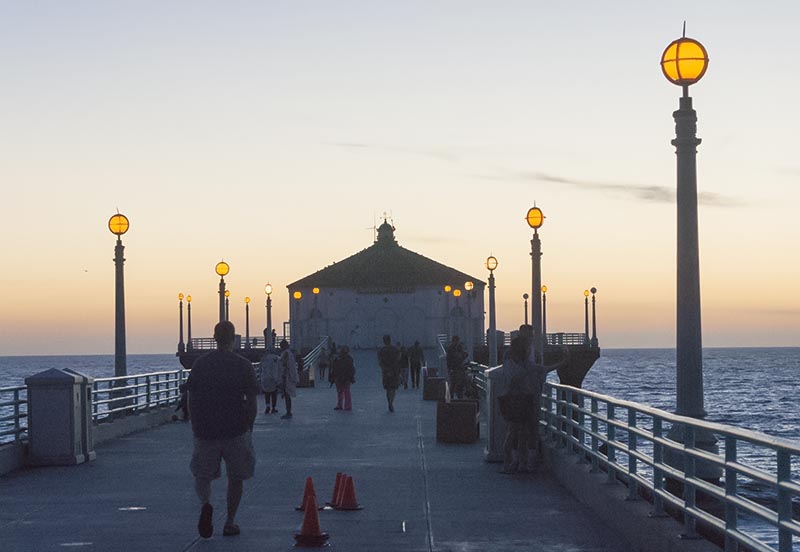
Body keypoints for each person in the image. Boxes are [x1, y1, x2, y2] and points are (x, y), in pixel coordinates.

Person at [186, 321, 258, 539]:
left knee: (202, 474)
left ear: (214, 337)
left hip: (206, 429)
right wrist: (249, 426)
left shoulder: (200, 364)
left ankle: (206, 504)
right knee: (235, 477)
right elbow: (253, 401)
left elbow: (191, 398)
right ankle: (229, 522)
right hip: (235, 429)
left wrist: (194, 424)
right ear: (234, 338)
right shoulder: (243, 365)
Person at [377, 334, 401, 412]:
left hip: (385, 372)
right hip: (394, 371)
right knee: (393, 388)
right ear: (390, 340)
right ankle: (391, 402)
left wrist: (386, 369)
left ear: (384, 341)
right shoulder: (395, 349)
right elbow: (398, 359)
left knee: (388, 388)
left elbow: (380, 362)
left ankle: (389, 402)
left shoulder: (381, 350)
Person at [278, 339, 298, 419]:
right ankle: (288, 411)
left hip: (286, 377)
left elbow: (285, 365)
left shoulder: (286, 353)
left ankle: (288, 412)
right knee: (287, 395)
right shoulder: (289, 353)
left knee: (287, 395)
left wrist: (282, 376)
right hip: (288, 376)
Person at [257, 346, 280, 414]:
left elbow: (260, 368)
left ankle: (267, 406)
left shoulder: (263, 358)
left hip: (264, 377)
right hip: (273, 377)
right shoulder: (276, 358)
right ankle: (273, 408)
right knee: (274, 393)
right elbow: (279, 368)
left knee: (267, 393)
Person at [332, 345, 355, 411]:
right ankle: (347, 406)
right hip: (345, 377)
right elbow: (352, 369)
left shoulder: (338, 358)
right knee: (346, 392)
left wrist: (333, 376)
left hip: (340, 377)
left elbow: (334, 368)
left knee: (340, 392)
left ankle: (340, 405)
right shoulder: (349, 358)